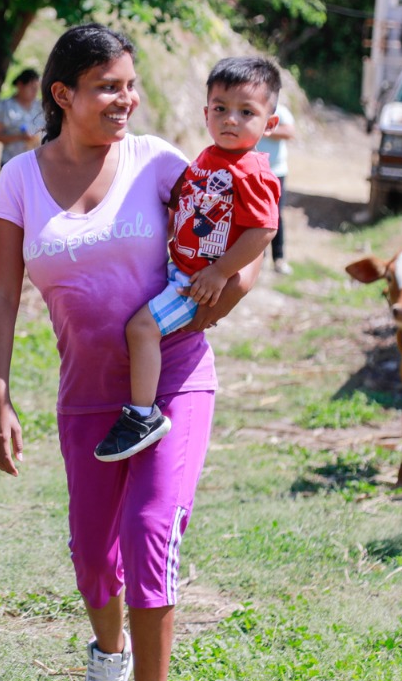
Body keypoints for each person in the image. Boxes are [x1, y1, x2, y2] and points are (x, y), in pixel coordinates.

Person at [0, 25, 261, 681]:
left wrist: (216, 301)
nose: (126, 100)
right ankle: (109, 653)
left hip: (173, 379)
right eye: (109, 86)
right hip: (87, 395)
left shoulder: (161, 163)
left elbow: (238, 236)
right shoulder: (21, 179)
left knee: (148, 534)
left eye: (130, 85)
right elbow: (3, 292)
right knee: (91, 561)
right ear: (63, 95)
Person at [94, 57, 282, 462]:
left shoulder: (251, 171)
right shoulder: (211, 156)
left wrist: (220, 273)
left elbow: (263, 231)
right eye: (220, 108)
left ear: (270, 124)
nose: (231, 120)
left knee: (141, 329)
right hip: (181, 267)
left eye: (246, 112)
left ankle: (142, 415)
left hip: (196, 282)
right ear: (206, 113)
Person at [256, 103, 294, 274]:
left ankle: (278, 258)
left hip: (276, 171)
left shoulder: (281, 111)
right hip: (254, 171)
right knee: (255, 215)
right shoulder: (253, 108)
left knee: (276, 215)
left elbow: (289, 132)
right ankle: (258, 258)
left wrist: (264, 128)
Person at [0, 68, 45, 168]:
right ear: (20, 85)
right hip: (12, 162)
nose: (35, 92)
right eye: (31, 88)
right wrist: (20, 137)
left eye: (36, 88)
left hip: (38, 163)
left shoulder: (42, 107)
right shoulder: (4, 106)